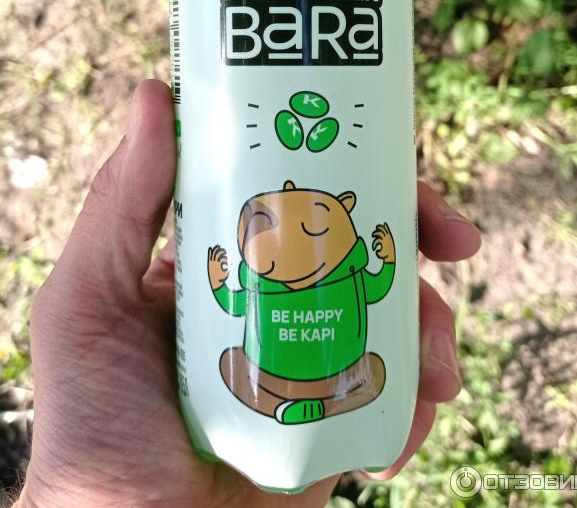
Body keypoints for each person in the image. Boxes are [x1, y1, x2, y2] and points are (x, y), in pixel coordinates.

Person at [11, 80, 481, 508]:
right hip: (261, 386)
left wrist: (388, 258)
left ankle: (310, 398)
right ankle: (321, 398)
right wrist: (218, 282)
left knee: (358, 366)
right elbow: (242, 302)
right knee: (240, 366)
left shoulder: (343, 268)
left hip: (310, 373)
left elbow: (372, 286)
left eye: (315, 225)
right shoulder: (265, 279)